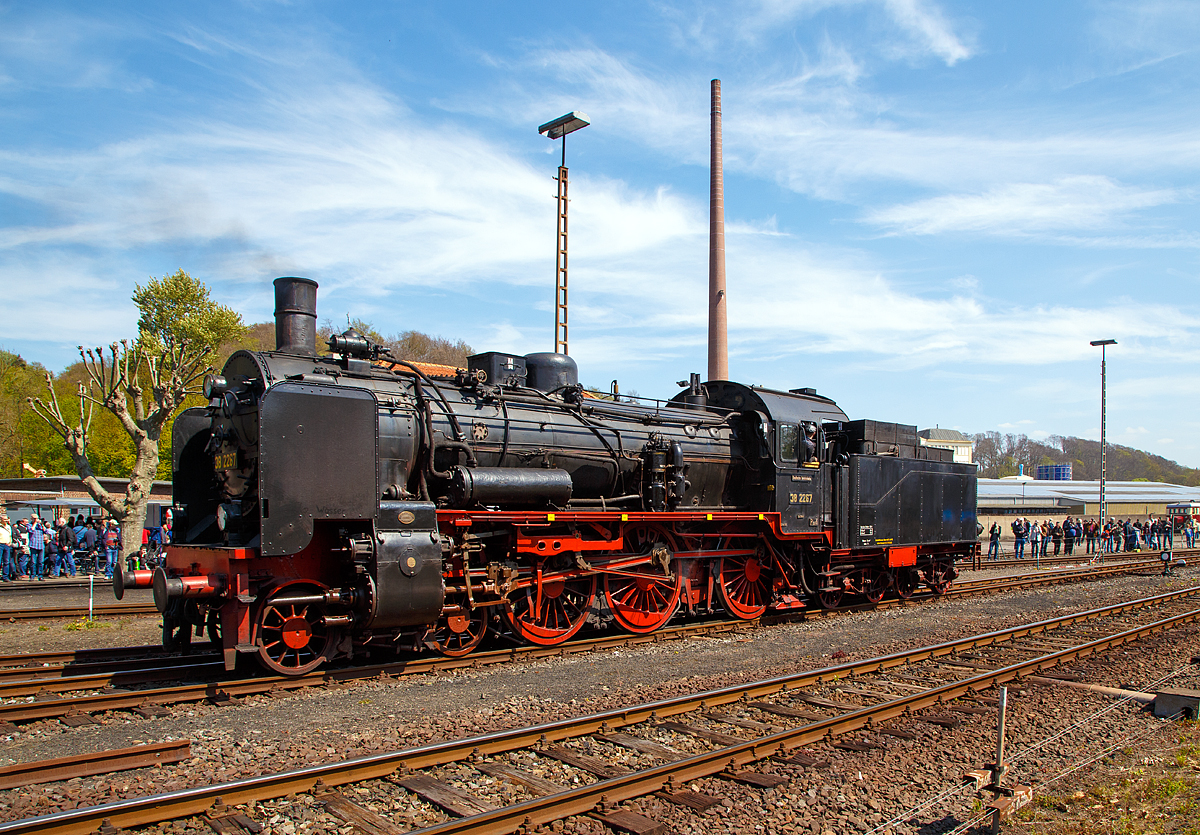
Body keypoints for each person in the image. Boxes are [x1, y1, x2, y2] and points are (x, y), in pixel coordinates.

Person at [0, 514, 11, 581]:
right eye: (4, 519)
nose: (5, 521)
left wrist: (10, 542)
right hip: (0, 544)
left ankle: (5, 576)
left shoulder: (8, 527)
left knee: (6, 561)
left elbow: (10, 535)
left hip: (7, 545)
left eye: (6, 519)